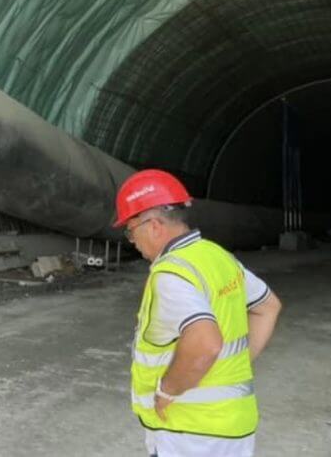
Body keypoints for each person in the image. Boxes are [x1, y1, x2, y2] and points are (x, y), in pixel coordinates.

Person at [116, 169, 282, 457]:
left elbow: (205, 341)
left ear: (154, 226)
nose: (134, 242)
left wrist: (168, 391)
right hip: (233, 427)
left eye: (131, 232)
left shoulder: (171, 274)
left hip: (190, 434)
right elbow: (268, 307)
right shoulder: (217, 256)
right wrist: (232, 366)